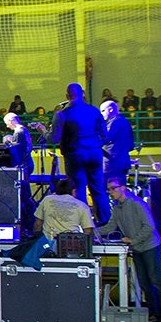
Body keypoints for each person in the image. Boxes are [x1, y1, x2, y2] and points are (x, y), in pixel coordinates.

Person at [98, 177, 161, 322]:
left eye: (113, 188)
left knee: (156, 280)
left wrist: (133, 240)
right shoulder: (117, 207)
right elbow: (110, 226)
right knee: (144, 282)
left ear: (123, 188)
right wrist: (93, 231)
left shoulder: (136, 203)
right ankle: (154, 312)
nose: (110, 192)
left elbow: (149, 226)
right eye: (108, 190)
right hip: (137, 248)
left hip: (150, 246)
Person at [51, 83, 105, 220]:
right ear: (83, 94)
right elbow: (105, 135)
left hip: (74, 155)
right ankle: (104, 222)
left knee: (78, 189)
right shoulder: (94, 111)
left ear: (67, 96)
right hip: (94, 153)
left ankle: (83, 223)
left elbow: (54, 138)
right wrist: (94, 145)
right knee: (98, 189)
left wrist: (43, 131)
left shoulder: (62, 114)